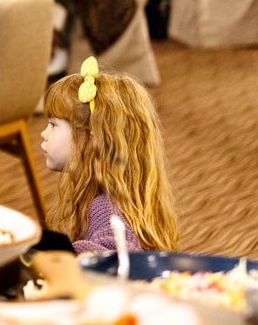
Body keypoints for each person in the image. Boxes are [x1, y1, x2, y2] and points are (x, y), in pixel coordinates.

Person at [40, 59, 179, 253]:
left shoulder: (107, 208)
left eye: (53, 125)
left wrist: (65, 254)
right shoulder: (110, 195)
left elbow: (116, 255)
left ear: (91, 141)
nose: (43, 133)